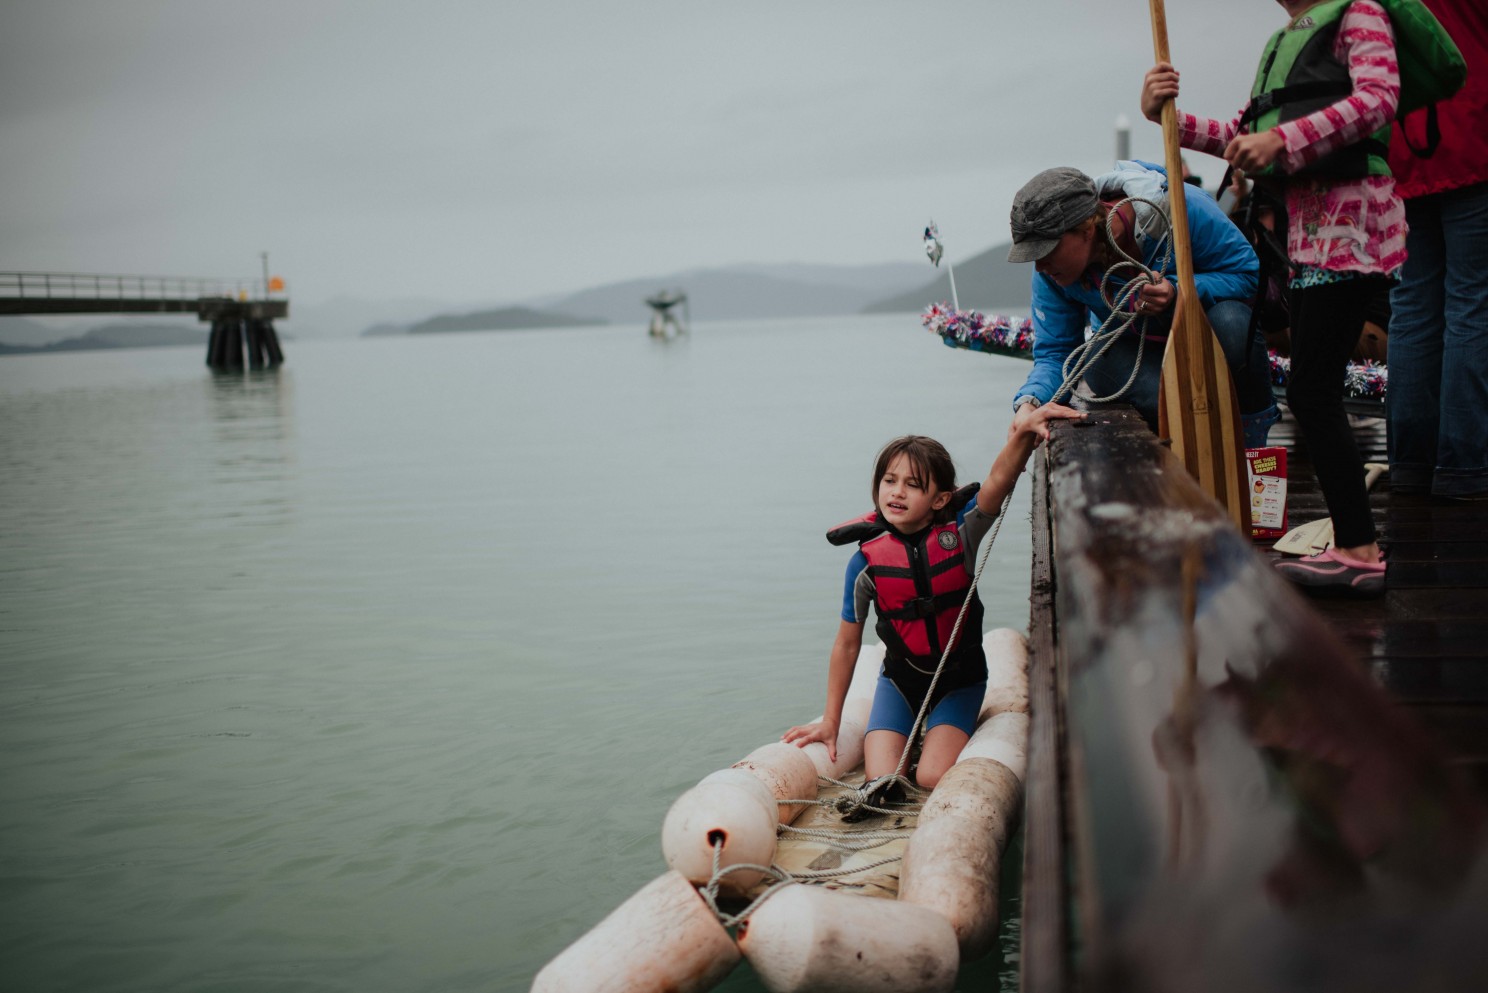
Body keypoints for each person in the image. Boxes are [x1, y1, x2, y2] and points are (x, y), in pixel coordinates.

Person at [1142, 0, 1404, 596]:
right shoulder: (1285, 42)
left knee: (1311, 391)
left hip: (1355, 231)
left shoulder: (1359, 14)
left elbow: (1378, 99)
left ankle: (1358, 552)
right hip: (1311, 244)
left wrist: (1282, 141)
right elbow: (1243, 137)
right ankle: (1354, 543)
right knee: (1312, 393)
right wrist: (1168, 117)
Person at [782, 404, 1084, 804]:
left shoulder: (962, 535)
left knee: (931, 776)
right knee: (883, 780)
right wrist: (831, 721)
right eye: (889, 481)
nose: (897, 491)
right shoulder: (865, 564)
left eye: (912, 484)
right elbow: (847, 644)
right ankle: (906, 730)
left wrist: (1024, 434)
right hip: (900, 682)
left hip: (959, 681)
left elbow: (997, 480)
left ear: (941, 498)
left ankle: (945, 731)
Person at [1004, 162, 1280, 447]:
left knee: (1233, 322)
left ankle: (1252, 440)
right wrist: (1030, 403)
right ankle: (1194, 435)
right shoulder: (1053, 275)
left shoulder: (1183, 208)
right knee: (1097, 359)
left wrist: (1179, 289)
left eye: (1046, 250)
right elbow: (1057, 353)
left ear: (1086, 230)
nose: (1039, 266)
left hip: (1209, 337)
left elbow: (1249, 276)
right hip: (1137, 353)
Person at [1385, 0, 1488, 500]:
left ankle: (1410, 462)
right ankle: (1465, 468)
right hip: (1474, 137)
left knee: (1413, 309)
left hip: (1405, 146)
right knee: (1472, 305)